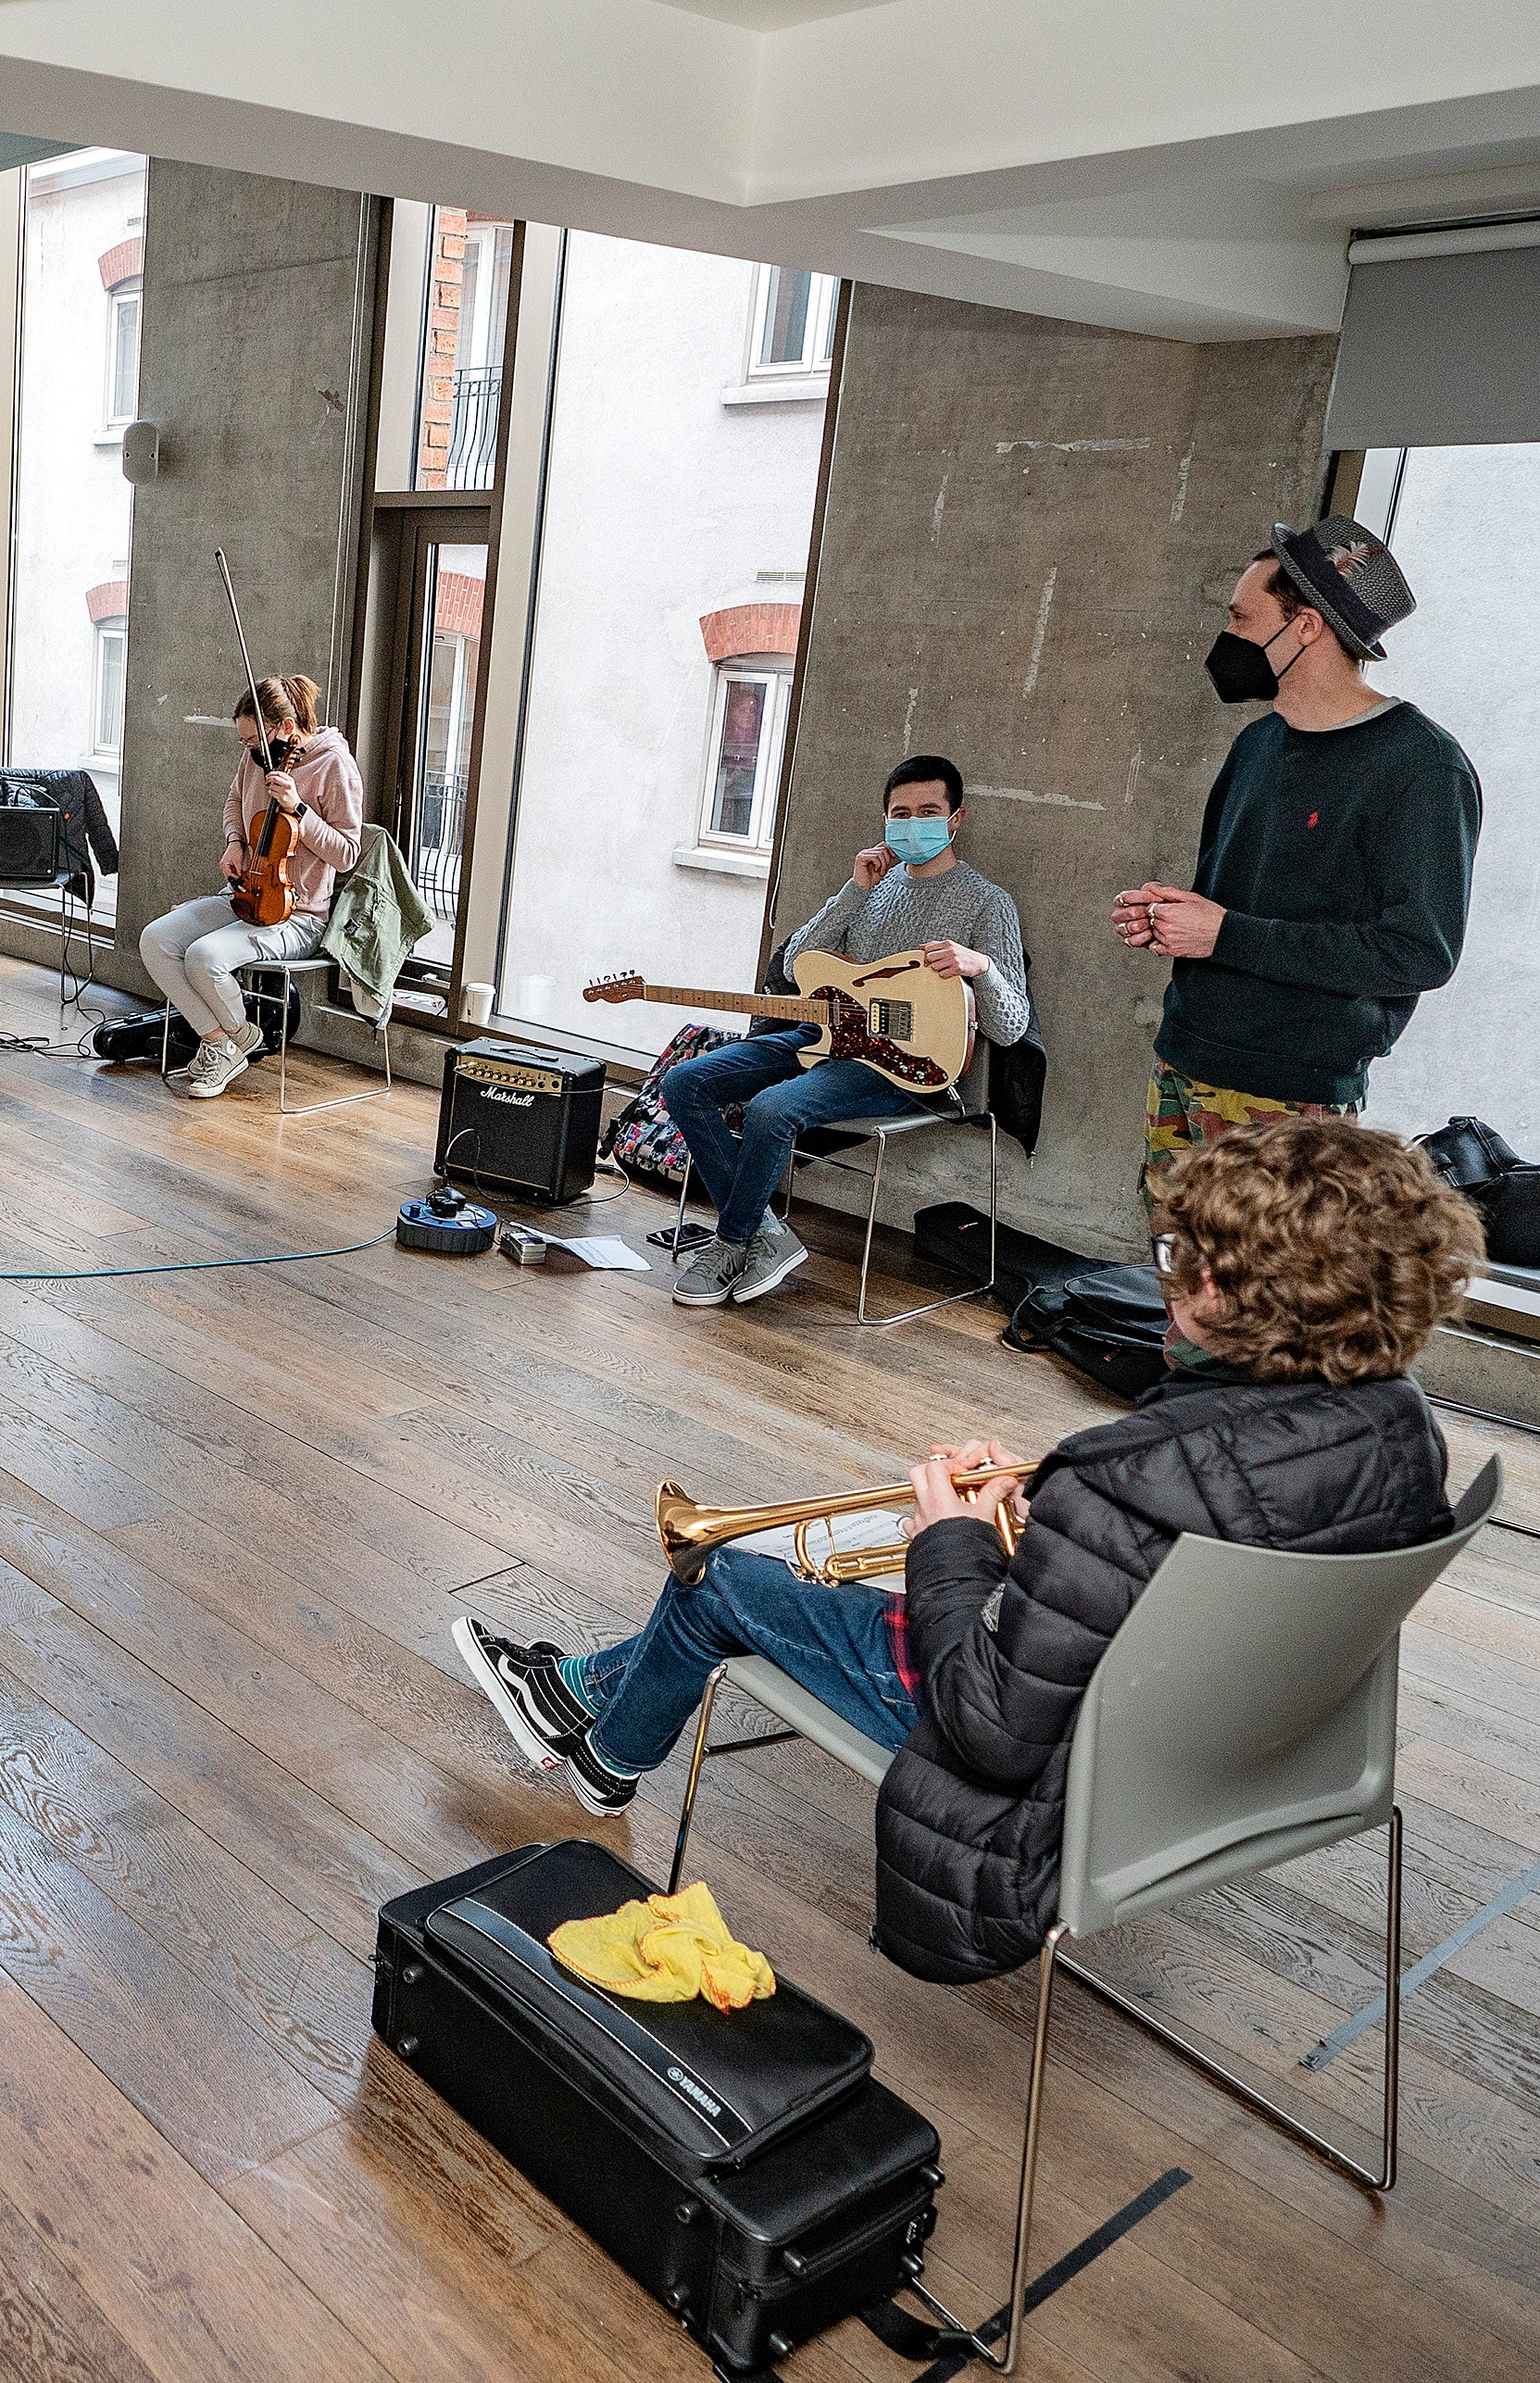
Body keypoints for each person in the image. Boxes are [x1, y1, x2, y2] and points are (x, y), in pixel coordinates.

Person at [453, 1113, 1474, 1981]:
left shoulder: (1132, 1477)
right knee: (850, 1544)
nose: (1165, 1279)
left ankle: (603, 1753)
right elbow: (1214, 1516)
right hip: (1252, 1751)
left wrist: (952, 1541)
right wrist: (1047, 1508)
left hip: (1046, 1786)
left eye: (1180, 1261)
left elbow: (985, 1721)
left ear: (1233, 1295)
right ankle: (584, 1690)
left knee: (719, 1574)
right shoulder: (1400, 1426)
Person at [1113, 518, 1482, 1200]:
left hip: (1291, 1101)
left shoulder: (1422, 767)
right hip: (1183, 1062)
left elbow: (1419, 952)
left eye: (1241, 616)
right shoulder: (1255, 745)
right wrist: (1173, 920)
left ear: (1305, 626)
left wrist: (1224, 932)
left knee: (1269, 1301)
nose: (1227, 636)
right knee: (1176, 1283)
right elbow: (1233, 907)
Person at [660, 756, 1033, 1309]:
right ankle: (764, 1231)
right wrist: (854, 890)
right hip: (828, 1039)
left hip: (905, 1067)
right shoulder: (872, 887)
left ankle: (733, 1241)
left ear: (955, 819)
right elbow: (793, 968)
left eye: (928, 811)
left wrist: (983, 968)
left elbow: (1012, 1027)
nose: (913, 824)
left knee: (770, 1109)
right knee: (684, 1081)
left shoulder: (987, 902)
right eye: (900, 813)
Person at [137, 675, 367, 1099]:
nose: (248, 751)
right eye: (244, 743)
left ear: (284, 728)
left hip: (297, 915)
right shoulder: (259, 758)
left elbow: (347, 853)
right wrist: (234, 842)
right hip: (244, 895)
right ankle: (226, 1040)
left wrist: (298, 807)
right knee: (157, 940)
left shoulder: (334, 765)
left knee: (204, 957)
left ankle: (230, 1043)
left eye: (251, 741)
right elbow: (233, 801)